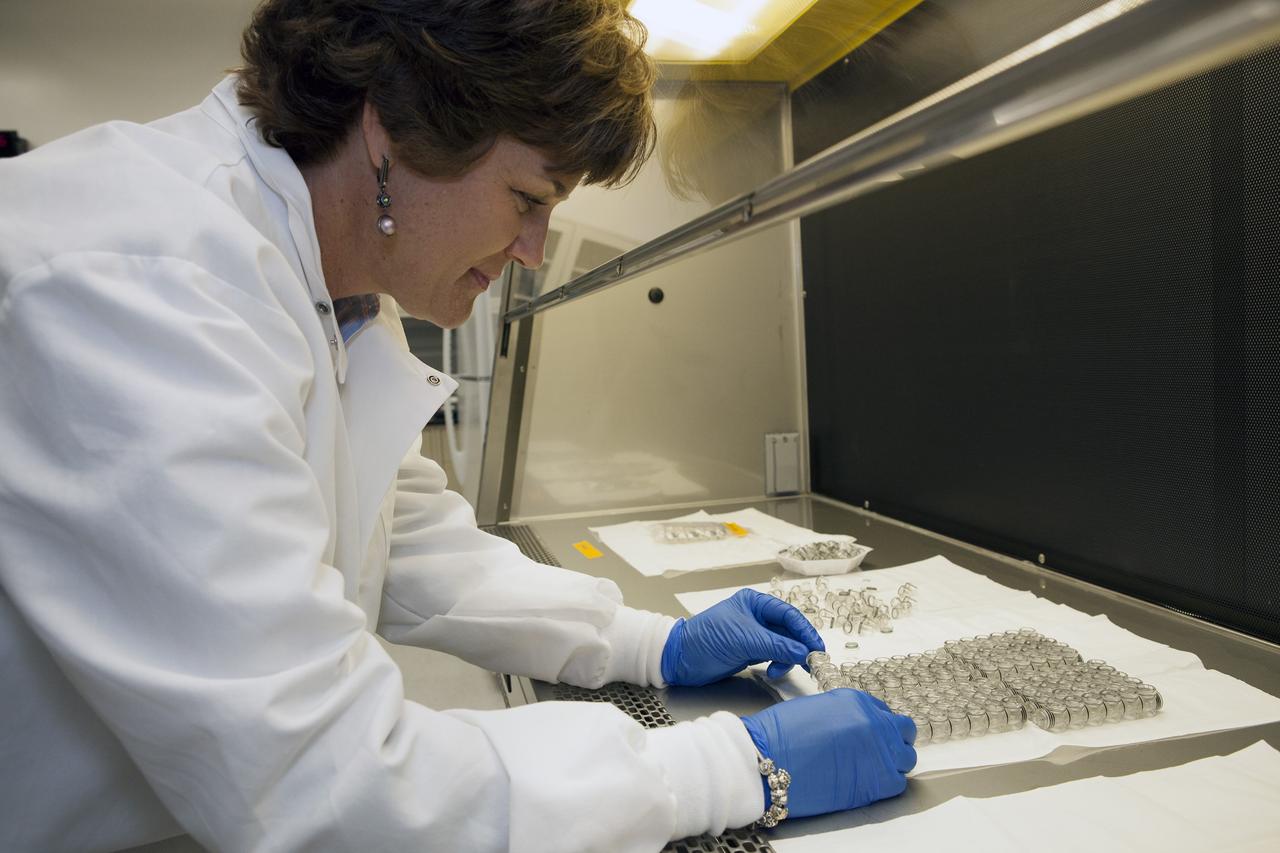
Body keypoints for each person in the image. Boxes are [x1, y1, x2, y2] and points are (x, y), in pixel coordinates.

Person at [0, 1, 916, 850]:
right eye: (529, 199)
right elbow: (321, 775)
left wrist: (649, 642)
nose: (533, 251)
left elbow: (408, 541)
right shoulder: (141, 285)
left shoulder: (337, 279)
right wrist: (728, 769)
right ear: (391, 126)